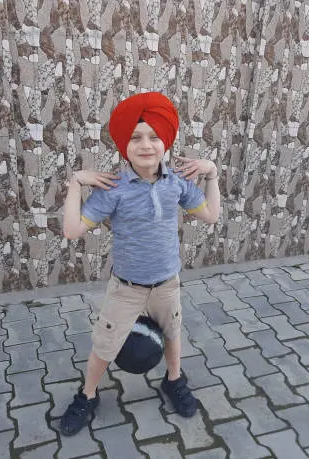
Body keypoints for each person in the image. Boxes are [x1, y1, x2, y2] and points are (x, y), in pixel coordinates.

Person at [60, 91, 221, 436]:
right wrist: (75, 183)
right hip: (126, 289)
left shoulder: (176, 184)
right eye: (135, 137)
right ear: (124, 145)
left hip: (167, 283)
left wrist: (211, 173)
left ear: (165, 142)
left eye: (153, 136)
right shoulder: (114, 189)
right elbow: (72, 230)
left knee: (173, 334)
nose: (145, 145)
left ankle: (174, 380)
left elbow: (210, 215)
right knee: (105, 345)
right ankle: (87, 396)